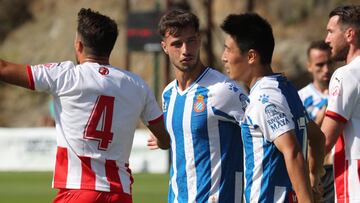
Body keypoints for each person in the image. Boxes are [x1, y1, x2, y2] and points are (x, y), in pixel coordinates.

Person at [0, 8, 170, 203]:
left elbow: (4, 69)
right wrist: (161, 141)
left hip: (80, 191)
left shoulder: (65, 75)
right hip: (120, 194)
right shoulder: (137, 84)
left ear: (79, 45)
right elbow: (164, 138)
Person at [221, 13, 325, 203]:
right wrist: (315, 177)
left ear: (251, 56)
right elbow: (318, 137)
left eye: (228, 50)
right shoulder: (285, 89)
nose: (224, 57)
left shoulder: (264, 99)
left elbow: (292, 151)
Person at [156, 9, 248, 203]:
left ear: (198, 40)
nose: (185, 50)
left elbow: (264, 133)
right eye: (177, 44)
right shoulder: (168, 94)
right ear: (164, 47)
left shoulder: (222, 90)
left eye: (190, 41)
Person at [321, 5, 360, 203]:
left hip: (354, 183)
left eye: (330, 32)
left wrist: (307, 171)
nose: (326, 39)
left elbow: (325, 140)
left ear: (349, 34)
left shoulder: (345, 75)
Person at [298, 40, 335, 203]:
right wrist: (320, 118)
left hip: (339, 167)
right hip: (313, 172)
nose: (326, 69)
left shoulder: (342, 92)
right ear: (309, 66)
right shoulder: (300, 97)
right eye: (320, 65)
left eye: (329, 63)